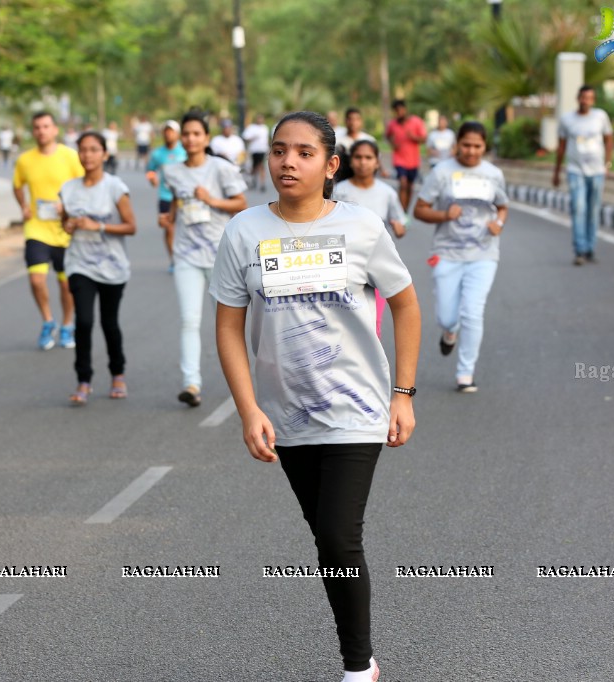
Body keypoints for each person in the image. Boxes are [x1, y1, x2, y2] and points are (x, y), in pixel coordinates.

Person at [211, 111, 420, 682]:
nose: (287, 162)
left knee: (336, 534)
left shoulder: (362, 227)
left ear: (331, 166)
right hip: (285, 414)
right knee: (328, 544)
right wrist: (249, 408)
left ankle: (357, 667)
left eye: (304, 152)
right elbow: (228, 326)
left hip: (358, 408)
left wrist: (402, 393)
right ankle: (362, 657)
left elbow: (405, 303)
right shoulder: (244, 232)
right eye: (279, 150)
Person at [413, 121, 508, 393]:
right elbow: (420, 209)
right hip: (447, 252)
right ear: (456, 145)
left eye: (477, 146)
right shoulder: (442, 173)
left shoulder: (493, 174)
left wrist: (498, 224)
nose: (471, 151)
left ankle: (465, 374)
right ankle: (449, 331)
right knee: (446, 316)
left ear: (484, 147)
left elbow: (502, 206)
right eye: (466, 145)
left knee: (473, 312)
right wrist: (444, 215)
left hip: (484, 253)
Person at [163, 112, 248, 407]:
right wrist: (169, 217)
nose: (190, 139)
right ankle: (191, 384)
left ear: (206, 138)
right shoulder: (171, 171)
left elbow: (241, 204)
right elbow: (176, 201)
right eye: (186, 134)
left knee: (227, 325)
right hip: (186, 255)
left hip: (220, 255)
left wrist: (212, 201)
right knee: (189, 320)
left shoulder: (221, 169)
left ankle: (243, 383)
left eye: (196, 133)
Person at [59, 131, 137, 405]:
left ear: (104, 154)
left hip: (112, 266)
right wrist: (68, 225)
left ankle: (118, 373)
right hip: (79, 263)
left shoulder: (115, 187)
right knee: (83, 322)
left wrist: (99, 226)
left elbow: (131, 226)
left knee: (108, 323)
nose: (88, 155)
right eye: (83, 150)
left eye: (94, 149)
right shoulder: (68, 189)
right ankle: (83, 379)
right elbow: (65, 224)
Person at [13, 111, 86, 350]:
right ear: (33, 132)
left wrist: (68, 206)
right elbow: (17, 185)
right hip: (37, 229)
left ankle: (67, 325)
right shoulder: (25, 160)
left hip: (65, 231)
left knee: (66, 285)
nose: (42, 131)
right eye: (37, 127)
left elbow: (84, 185)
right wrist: (23, 206)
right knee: (36, 280)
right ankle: (47, 321)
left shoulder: (70, 157)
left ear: (55, 129)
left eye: (46, 126)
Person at [333, 139, 406, 337]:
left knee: (374, 322)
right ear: (351, 160)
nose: (363, 162)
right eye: (358, 157)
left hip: (376, 264)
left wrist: (399, 227)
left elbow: (399, 222)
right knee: (343, 320)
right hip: (344, 265)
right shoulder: (339, 190)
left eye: (368, 158)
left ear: (376, 162)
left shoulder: (387, 193)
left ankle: (372, 366)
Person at [552, 85, 614, 266]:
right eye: (583, 97)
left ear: (593, 100)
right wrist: (556, 172)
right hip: (575, 170)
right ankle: (579, 249)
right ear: (578, 98)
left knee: (593, 210)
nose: (585, 101)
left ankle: (589, 248)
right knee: (578, 208)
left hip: (596, 171)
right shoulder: (567, 119)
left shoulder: (600, 117)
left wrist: (608, 163)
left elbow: (609, 139)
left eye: (589, 98)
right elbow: (561, 147)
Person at [146, 120, 187, 273]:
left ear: (177, 134)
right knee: (169, 229)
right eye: (166, 131)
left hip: (184, 197)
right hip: (165, 196)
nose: (168, 134)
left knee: (184, 229)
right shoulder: (157, 154)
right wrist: (152, 178)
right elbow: (150, 169)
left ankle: (186, 258)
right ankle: (174, 260)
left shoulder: (184, 151)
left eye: (171, 131)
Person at [384, 99, 426, 212]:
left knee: (410, 186)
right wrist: (393, 144)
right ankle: (401, 212)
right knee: (402, 183)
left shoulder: (416, 121)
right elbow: (387, 136)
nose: (399, 113)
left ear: (405, 109)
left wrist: (414, 137)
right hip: (399, 159)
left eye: (400, 110)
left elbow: (424, 139)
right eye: (396, 111)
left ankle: (406, 211)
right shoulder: (392, 124)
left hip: (413, 161)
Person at [334, 108, 376, 183]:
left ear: (361, 121)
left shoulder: (369, 140)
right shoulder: (337, 139)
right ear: (346, 121)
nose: (353, 122)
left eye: (357, 119)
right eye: (350, 119)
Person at [242, 114, 270, 190]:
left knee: (261, 166)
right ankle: (253, 179)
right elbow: (245, 137)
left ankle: (262, 184)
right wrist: (253, 138)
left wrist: (268, 149)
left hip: (263, 150)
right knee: (255, 167)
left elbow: (266, 139)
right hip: (254, 150)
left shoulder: (265, 128)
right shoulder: (251, 128)